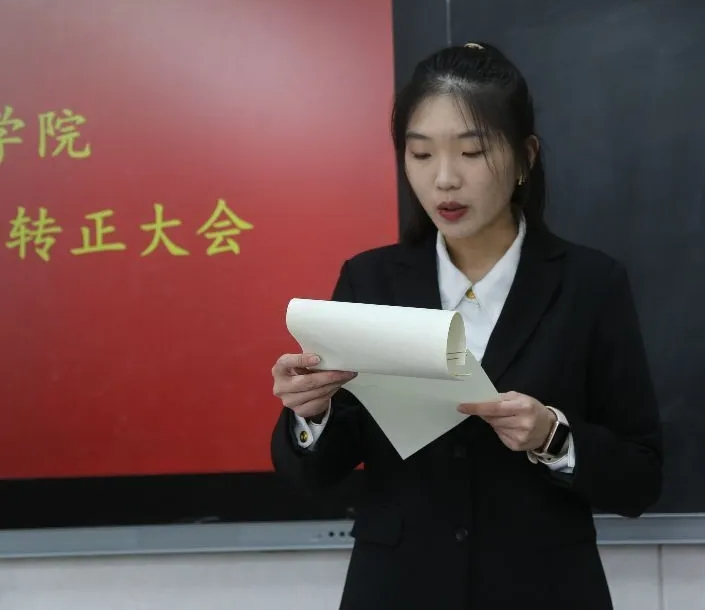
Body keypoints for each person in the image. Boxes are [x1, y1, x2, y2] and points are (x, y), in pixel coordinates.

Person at [269, 42, 663, 610]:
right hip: (398, 589)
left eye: (472, 152)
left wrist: (552, 437)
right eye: (421, 154)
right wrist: (310, 414)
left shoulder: (590, 284)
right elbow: (315, 476)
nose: (444, 180)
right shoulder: (371, 280)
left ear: (525, 156)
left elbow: (641, 478)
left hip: (544, 590)